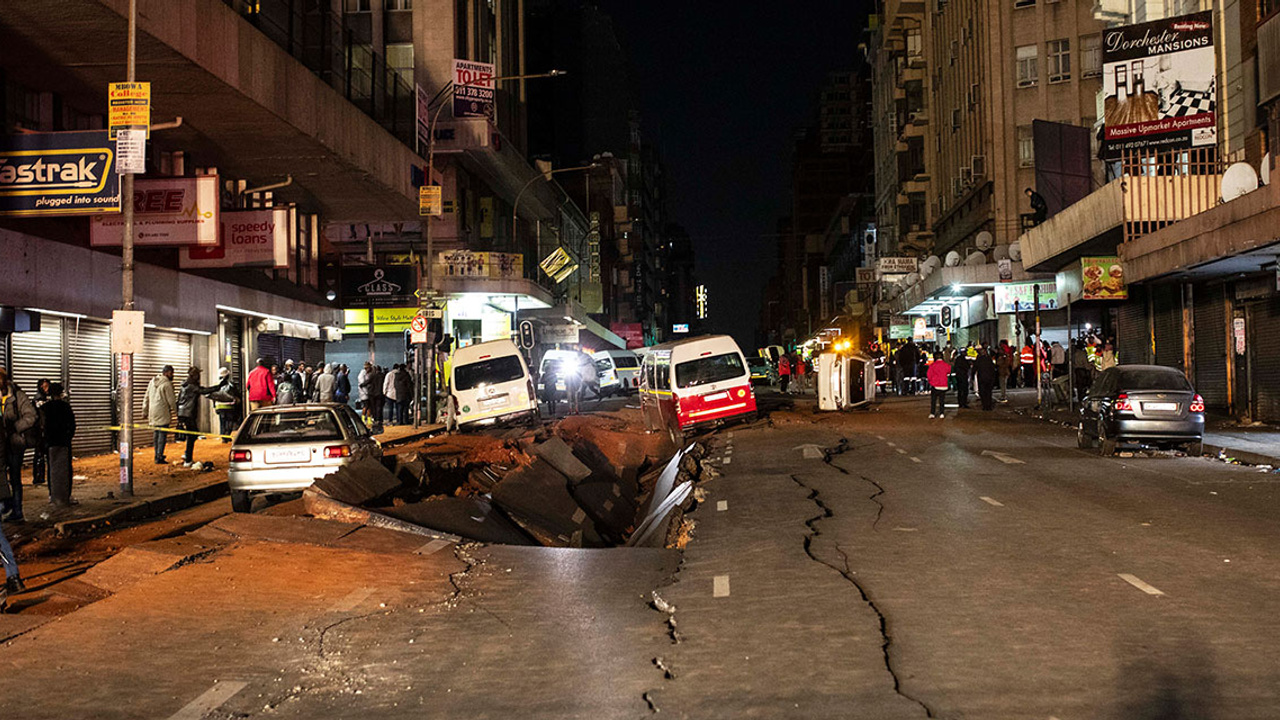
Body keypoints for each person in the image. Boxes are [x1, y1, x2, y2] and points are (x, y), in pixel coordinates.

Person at [0, 368, 37, 523]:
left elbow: (31, 416)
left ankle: (17, 511)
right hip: (0, 444)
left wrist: (15, 427)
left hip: (14, 443)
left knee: (15, 477)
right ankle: (6, 504)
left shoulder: (17, 396)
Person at [41, 383, 75, 508]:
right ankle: (65, 496)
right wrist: (68, 436)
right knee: (66, 468)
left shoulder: (45, 408)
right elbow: (72, 425)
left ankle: (53, 495)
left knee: (52, 468)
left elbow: (42, 425)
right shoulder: (66, 407)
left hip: (51, 442)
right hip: (64, 442)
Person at [176, 367, 217, 468]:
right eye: (198, 374)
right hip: (188, 413)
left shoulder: (184, 385)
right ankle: (188, 459)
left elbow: (178, 400)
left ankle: (187, 454)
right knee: (192, 435)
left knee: (193, 434)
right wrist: (218, 387)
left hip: (183, 413)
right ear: (194, 375)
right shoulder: (192, 386)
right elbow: (203, 391)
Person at [142, 365, 177, 465]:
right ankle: (159, 456)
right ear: (166, 373)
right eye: (171, 373)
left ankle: (156, 455)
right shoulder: (167, 384)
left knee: (156, 434)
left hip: (153, 412)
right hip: (162, 412)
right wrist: (177, 412)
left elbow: (146, 397)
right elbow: (171, 401)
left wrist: (144, 411)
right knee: (162, 435)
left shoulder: (152, 382)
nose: (172, 375)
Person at [210, 368, 241, 441]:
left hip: (219, 406)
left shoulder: (216, 384)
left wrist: (214, 406)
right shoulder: (231, 384)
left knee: (222, 422)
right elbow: (236, 394)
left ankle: (224, 437)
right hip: (229, 406)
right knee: (229, 422)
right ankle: (227, 436)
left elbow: (214, 396)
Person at [31, 378, 51, 488]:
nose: (46, 389)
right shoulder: (38, 399)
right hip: (40, 431)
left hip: (43, 430)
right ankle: (38, 477)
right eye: (44, 386)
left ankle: (41, 476)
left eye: (47, 386)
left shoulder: (45, 398)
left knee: (42, 454)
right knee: (39, 454)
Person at [927, 352, 951, 419]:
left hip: (935, 385)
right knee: (942, 400)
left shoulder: (932, 365)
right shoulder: (946, 365)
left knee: (933, 400)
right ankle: (942, 413)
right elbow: (949, 371)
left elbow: (929, 375)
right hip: (943, 385)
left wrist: (931, 382)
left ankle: (932, 413)